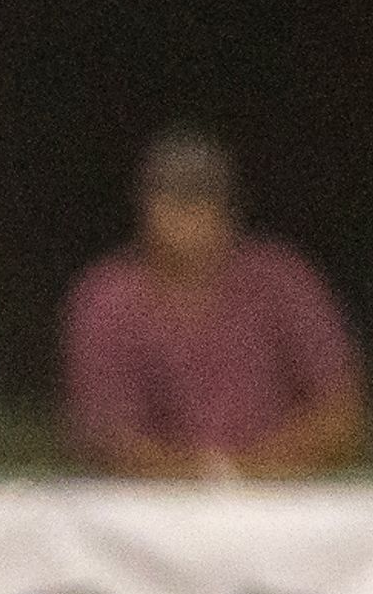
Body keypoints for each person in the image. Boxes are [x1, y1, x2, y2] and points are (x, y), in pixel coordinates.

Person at [63, 126, 363, 479]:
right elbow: (100, 433)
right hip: (148, 508)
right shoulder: (107, 299)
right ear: (144, 208)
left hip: (281, 499)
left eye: (203, 198)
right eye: (174, 199)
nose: (188, 215)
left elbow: (341, 411)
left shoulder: (281, 281)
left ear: (229, 209)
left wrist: (248, 471)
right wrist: (197, 477)